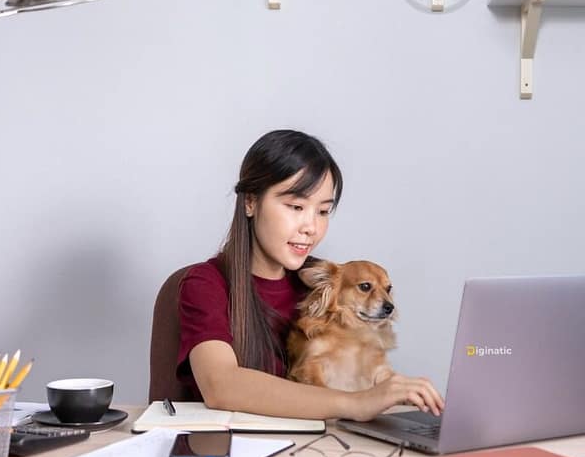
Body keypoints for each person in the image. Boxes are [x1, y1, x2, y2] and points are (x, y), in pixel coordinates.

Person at [176, 129, 445, 421]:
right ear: (250, 202)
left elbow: (362, 366)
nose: (311, 228)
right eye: (296, 207)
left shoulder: (327, 288)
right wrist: (354, 404)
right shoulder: (206, 284)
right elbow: (221, 385)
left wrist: (392, 388)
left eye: (323, 212)